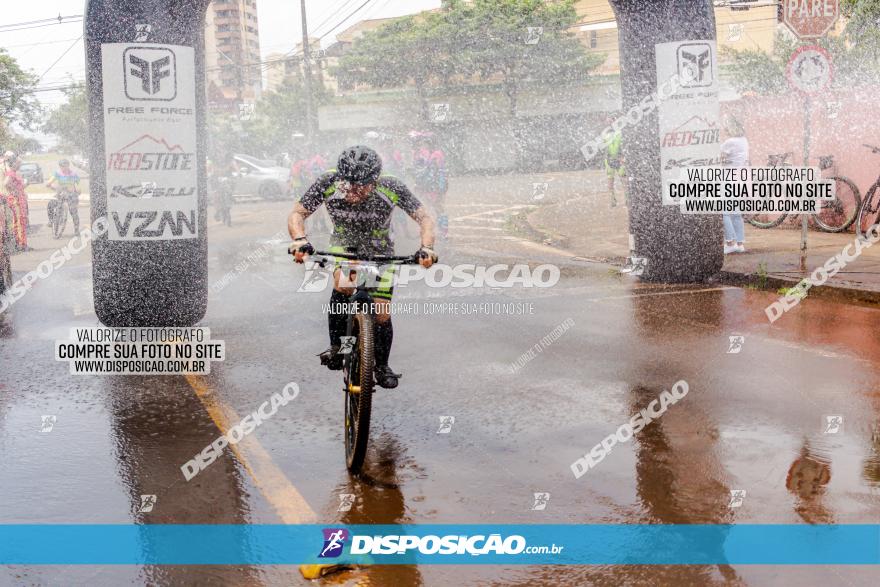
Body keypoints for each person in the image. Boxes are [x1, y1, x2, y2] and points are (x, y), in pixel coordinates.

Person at [288, 146, 437, 389]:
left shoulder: (392, 186)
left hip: (381, 251)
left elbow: (425, 218)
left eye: (361, 186)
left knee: (380, 312)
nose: (352, 191)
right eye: (348, 184)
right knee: (345, 284)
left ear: (375, 181)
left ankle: (381, 365)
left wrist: (427, 247)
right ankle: (339, 346)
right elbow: (297, 213)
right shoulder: (328, 180)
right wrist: (299, 239)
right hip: (344, 245)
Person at [411, 133, 448, 238]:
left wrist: (440, 186)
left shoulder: (437, 154)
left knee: (438, 207)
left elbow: (437, 171)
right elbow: (423, 169)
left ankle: (443, 231)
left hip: (435, 185)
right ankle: (427, 230)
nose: (425, 145)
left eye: (427, 143)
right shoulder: (425, 153)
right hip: (427, 184)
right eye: (425, 143)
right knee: (426, 207)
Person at [721, 116, 749, 254]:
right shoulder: (744, 140)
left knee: (724, 212)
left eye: (726, 126)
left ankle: (730, 242)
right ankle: (740, 243)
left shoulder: (729, 142)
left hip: (729, 179)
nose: (725, 129)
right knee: (736, 213)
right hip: (740, 179)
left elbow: (719, 157)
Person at [45, 158, 82, 236]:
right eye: (62, 166)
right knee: (50, 204)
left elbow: (79, 186)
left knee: (74, 212)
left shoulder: (73, 174)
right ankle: (51, 220)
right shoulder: (58, 173)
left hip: (71, 195)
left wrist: (78, 190)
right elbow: (49, 183)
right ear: (60, 167)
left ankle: (76, 230)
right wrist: (54, 187)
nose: (64, 168)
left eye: (65, 166)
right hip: (61, 194)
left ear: (68, 166)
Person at [2, 151, 31, 251]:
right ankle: (21, 244)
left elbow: (18, 186)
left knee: (21, 222)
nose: (20, 165)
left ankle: (21, 244)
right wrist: (14, 191)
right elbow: (6, 184)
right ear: (13, 163)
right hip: (16, 201)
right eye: (18, 163)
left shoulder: (14, 173)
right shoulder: (11, 173)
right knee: (19, 222)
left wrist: (25, 185)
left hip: (19, 200)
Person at [603, 123, 625, 208]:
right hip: (619, 160)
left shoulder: (605, 136)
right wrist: (622, 156)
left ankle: (612, 200)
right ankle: (626, 199)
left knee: (610, 181)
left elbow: (604, 150)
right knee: (624, 180)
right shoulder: (620, 135)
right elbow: (623, 146)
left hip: (609, 161)